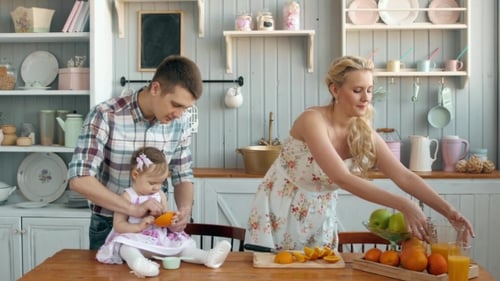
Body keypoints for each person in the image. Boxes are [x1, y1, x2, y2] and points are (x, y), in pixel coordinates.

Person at [246, 55, 475, 251]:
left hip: (319, 215)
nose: (366, 98)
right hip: (280, 209)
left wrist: (450, 212)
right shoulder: (312, 120)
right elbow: (342, 178)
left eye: (369, 90)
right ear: (335, 90)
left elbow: (403, 176)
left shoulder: (363, 132)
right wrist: (405, 204)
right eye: (357, 91)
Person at [67, 55, 202, 250]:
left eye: (186, 108)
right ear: (156, 88)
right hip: (109, 224)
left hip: (156, 226)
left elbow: (183, 174)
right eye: (176, 105)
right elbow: (79, 178)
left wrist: (185, 210)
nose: (180, 114)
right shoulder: (105, 115)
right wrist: (132, 209)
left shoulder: (180, 124)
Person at [96, 147, 231, 277]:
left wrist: (172, 221)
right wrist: (139, 226)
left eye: (161, 182)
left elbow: (164, 217)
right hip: (134, 239)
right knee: (125, 248)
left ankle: (207, 257)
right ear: (135, 175)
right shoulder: (127, 196)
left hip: (159, 240)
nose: (157, 187)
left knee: (182, 248)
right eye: (152, 183)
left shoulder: (159, 194)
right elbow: (118, 225)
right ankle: (139, 264)